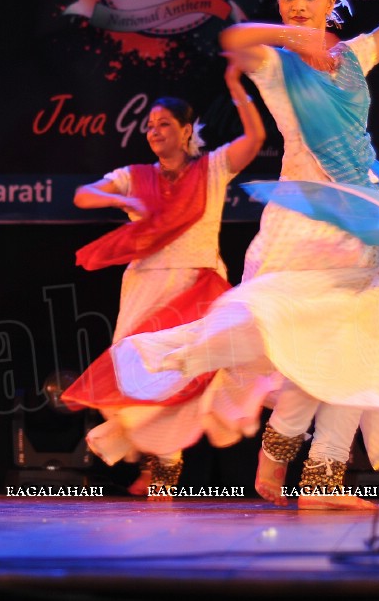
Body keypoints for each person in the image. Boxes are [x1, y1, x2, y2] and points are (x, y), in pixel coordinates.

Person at [110, 0, 379, 509]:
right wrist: (294, 36)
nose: (298, 3)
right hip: (302, 219)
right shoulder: (273, 61)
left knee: (355, 343)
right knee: (297, 334)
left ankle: (316, 476)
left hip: (358, 213)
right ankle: (265, 435)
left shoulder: (356, 55)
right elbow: (235, 37)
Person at [62, 78, 265, 495]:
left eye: (165, 124)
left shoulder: (213, 168)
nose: (154, 131)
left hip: (198, 283)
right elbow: (84, 195)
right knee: (136, 375)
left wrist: (232, 85)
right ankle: (162, 465)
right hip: (146, 285)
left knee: (184, 377)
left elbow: (256, 137)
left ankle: (164, 471)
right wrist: (125, 200)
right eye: (150, 125)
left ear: (188, 129)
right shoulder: (136, 176)